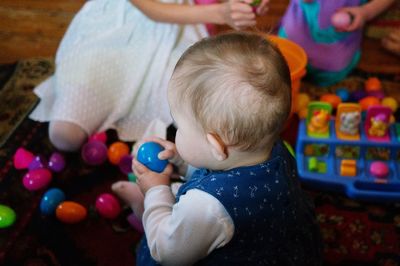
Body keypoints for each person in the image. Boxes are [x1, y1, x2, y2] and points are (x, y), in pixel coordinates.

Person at [112, 31, 322, 266]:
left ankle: (150, 208)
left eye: (179, 126)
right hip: (277, 242)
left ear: (215, 146)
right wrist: (181, 160)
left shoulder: (206, 207)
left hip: (224, 249)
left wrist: (155, 191)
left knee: (164, 229)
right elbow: (222, 168)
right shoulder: (275, 148)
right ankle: (153, 209)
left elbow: (169, 253)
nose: (175, 131)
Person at [29, 0, 269, 152]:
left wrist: (248, 4)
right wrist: (220, 12)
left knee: (197, 110)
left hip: (184, 28)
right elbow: (151, 9)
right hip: (117, 25)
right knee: (65, 136)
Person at [278, 0, 395, 86]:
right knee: (283, 61)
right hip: (300, 22)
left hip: (339, 37)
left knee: (331, 72)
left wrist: (366, 12)